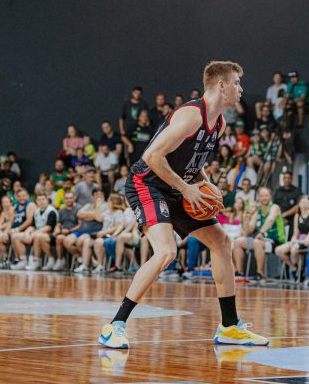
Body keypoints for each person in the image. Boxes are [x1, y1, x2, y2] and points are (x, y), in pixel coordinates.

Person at [98, 61, 268, 349]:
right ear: (222, 85)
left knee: (222, 242)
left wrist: (208, 186)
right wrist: (188, 189)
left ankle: (229, 327)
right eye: (237, 83)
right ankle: (114, 326)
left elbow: (193, 163)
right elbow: (152, 157)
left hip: (177, 187)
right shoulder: (191, 115)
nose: (241, 89)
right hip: (147, 183)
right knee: (166, 252)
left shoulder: (220, 123)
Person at [234, 187, 285, 282]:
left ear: (270, 196)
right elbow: (248, 232)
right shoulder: (258, 210)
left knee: (257, 242)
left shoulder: (274, 207)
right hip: (260, 240)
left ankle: (259, 274)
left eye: (266, 195)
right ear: (259, 197)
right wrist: (246, 220)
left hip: (275, 241)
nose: (264, 198)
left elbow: (270, 220)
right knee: (238, 242)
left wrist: (261, 232)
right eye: (262, 196)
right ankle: (239, 272)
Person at [273, 195, 309, 282]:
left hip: (308, 240)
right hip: (299, 240)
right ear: (299, 204)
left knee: (294, 250)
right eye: (302, 202)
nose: (304, 204)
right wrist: (293, 239)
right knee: (278, 250)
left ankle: (301, 270)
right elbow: (296, 232)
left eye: (306, 202)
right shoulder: (297, 216)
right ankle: (294, 268)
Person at [25, 194, 59, 271]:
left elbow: (49, 227)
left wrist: (35, 233)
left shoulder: (51, 211)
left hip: (51, 234)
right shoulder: (36, 211)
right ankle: (21, 260)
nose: (41, 201)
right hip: (39, 232)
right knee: (17, 236)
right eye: (39, 200)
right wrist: (27, 232)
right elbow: (33, 226)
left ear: (47, 200)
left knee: (37, 236)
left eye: (43, 199)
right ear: (36, 201)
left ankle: (37, 261)